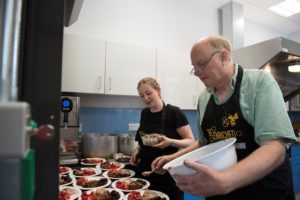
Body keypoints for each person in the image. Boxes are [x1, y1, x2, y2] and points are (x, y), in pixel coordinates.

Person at [152, 35, 297, 200]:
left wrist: (225, 180)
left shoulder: (258, 83)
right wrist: (171, 158)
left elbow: (275, 148)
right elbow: (203, 142)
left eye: (202, 64)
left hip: (265, 191)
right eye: (194, 68)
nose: (197, 72)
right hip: (221, 193)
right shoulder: (204, 98)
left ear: (224, 57)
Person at [130, 77, 196, 200]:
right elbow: (142, 139)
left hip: (167, 172)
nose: (145, 98)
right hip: (145, 172)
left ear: (158, 90)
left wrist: (170, 141)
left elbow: (191, 142)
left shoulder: (174, 112)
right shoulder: (144, 113)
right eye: (141, 95)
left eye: (148, 93)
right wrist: (137, 151)